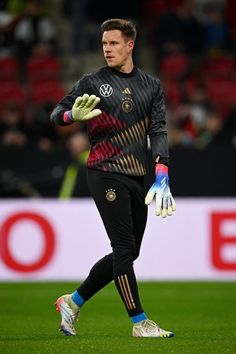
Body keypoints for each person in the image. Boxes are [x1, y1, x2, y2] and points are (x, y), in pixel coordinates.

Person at [51, 18, 176, 338]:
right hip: (104, 171)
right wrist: (71, 116)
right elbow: (56, 114)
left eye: (114, 43)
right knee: (123, 248)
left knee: (130, 252)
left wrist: (161, 172)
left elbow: (159, 130)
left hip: (138, 175)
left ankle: (73, 301)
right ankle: (139, 322)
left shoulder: (152, 85)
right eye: (104, 43)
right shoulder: (92, 82)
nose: (107, 49)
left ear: (130, 45)